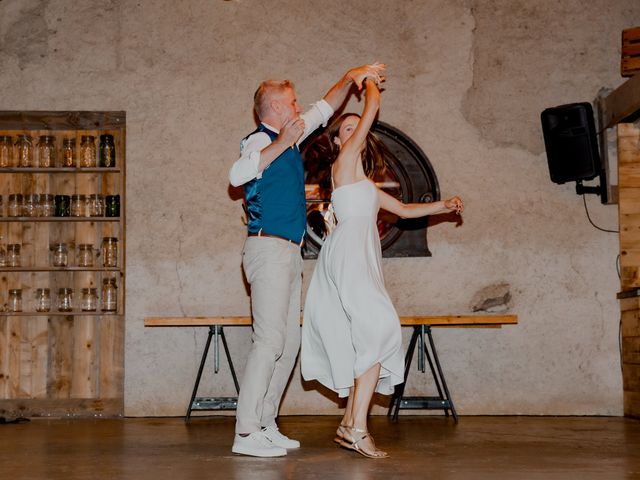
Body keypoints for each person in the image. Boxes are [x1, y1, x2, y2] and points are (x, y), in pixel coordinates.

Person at [228, 63, 386, 458]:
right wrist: (281, 141)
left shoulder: (291, 136)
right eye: (293, 102)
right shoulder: (257, 141)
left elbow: (325, 107)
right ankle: (245, 433)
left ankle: (265, 423)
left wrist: (352, 77)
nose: (300, 107)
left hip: (288, 252)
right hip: (266, 248)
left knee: (289, 341)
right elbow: (236, 176)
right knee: (267, 341)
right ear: (277, 108)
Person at [301, 76, 464, 459]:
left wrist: (444, 205)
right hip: (348, 255)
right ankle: (357, 426)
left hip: (362, 257)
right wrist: (370, 81)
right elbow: (372, 110)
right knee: (382, 327)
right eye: (347, 127)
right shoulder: (343, 163)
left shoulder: (366, 185)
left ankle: (350, 423)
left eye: (358, 127)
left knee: (373, 334)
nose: (356, 129)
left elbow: (405, 210)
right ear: (339, 142)